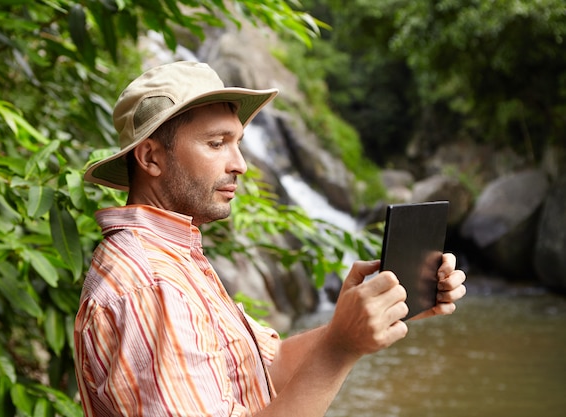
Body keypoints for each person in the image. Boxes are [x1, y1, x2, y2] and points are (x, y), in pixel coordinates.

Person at [74, 61, 467, 417]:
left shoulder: (173, 257)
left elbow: (268, 367)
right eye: (216, 144)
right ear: (150, 158)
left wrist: (360, 318)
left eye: (238, 142)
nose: (240, 164)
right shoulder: (151, 283)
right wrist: (339, 349)